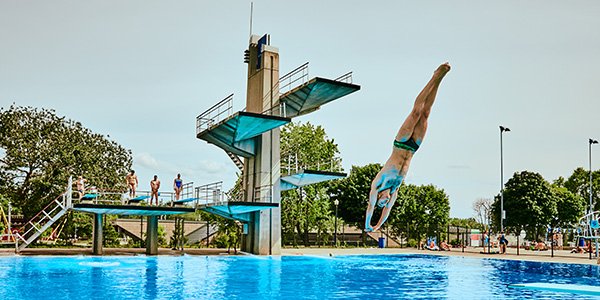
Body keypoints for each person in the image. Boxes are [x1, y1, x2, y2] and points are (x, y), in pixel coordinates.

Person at [365, 63, 451, 232]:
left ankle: (433, 77)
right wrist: (377, 227)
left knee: (416, 112)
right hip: (413, 147)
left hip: (401, 142)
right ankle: (440, 80)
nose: (384, 202)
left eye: (381, 202)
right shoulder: (395, 188)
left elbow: (370, 207)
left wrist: (368, 224)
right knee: (426, 113)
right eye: (384, 203)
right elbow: (387, 211)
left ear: (379, 197)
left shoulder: (378, 184)